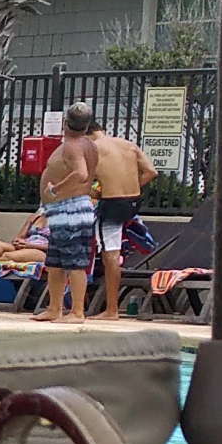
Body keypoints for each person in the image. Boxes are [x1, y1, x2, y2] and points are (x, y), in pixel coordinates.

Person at [77, 105, 160, 319]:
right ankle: (111, 308)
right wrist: (131, 186)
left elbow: (82, 181)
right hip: (133, 202)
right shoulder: (128, 144)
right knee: (112, 251)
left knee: (110, 255)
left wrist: (96, 194)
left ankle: (112, 309)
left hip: (112, 204)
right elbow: (151, 172)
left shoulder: (91, 149)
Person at [34, 104, 102, 321]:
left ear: (65, 123)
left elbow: (81, 173)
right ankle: (54, 308)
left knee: (74, 263)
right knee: (55, 264)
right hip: (66, 211)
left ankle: (77, 311)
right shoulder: (89, 145)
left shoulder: (72, 146)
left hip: (70, 210)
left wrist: (56, 189)